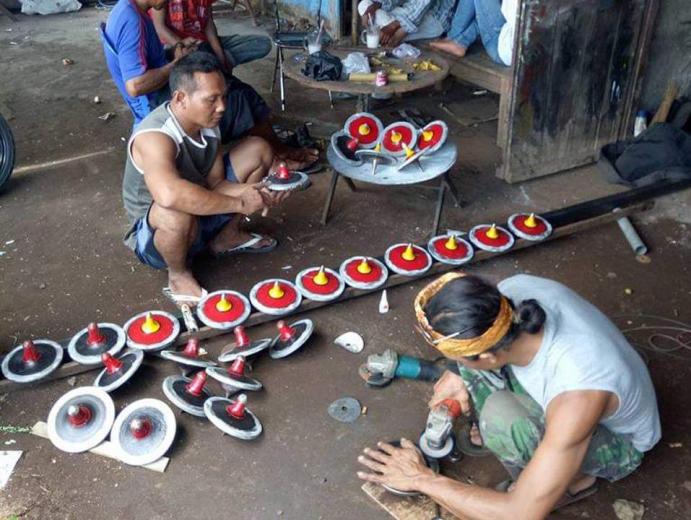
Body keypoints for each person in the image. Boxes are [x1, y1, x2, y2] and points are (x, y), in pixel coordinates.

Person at [358, 272, 661, 518]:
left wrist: (420, 478)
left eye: (460, 358)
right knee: (475, 383)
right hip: (572, 388)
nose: (458, 364)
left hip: (620, 441)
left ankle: (577, 482)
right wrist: (456, 370)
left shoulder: (578, 395)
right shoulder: (511, 295)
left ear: (487, 356)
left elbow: (518, 514)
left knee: (503, 419)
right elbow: (474, 353)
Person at [123, 52, 288, 303]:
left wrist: (261, 191)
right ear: (181, 98)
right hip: (155, 236)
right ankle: (178, 274)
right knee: (174, 209)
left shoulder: (207, 124)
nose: (222, 107)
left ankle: (226, 237)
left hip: (198, 213)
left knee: (258, 149)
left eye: (223, 97)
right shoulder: (155, 136)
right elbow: (168, 195)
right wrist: (241, 202)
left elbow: (217, 184)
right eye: (212, 99)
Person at [102, 0, 318, 169]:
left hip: (163, 86)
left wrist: (177, 49)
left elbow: (150, 61)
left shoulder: (130, 10)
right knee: (241, 98)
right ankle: (278, 153)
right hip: (155, 101)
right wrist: (177, 63)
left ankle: (275, 148)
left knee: (231, 86)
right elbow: (136, 86)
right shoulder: (132, 21)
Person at [149, 0, 272, 77]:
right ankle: (208, 64)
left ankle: (212, 63)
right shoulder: (159, 2)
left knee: (262, 44)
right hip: (174, 46)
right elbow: (159, 26)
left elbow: (208, 24)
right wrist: (181, 44)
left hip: (203, 43)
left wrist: (220, 56)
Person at [430, 0, 518, 66]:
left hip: (503, 49)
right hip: (510, 42)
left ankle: (454, 38)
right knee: (483, 10)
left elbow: (507, 12)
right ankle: (458, 40)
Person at [359, 0, 457, 48]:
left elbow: (421, 7)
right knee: (364, 4)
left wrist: (392, 26)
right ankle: (383, 35)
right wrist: (374, 6)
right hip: (407, 10)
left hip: (435, 18)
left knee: (381, 24)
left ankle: (394, 36)